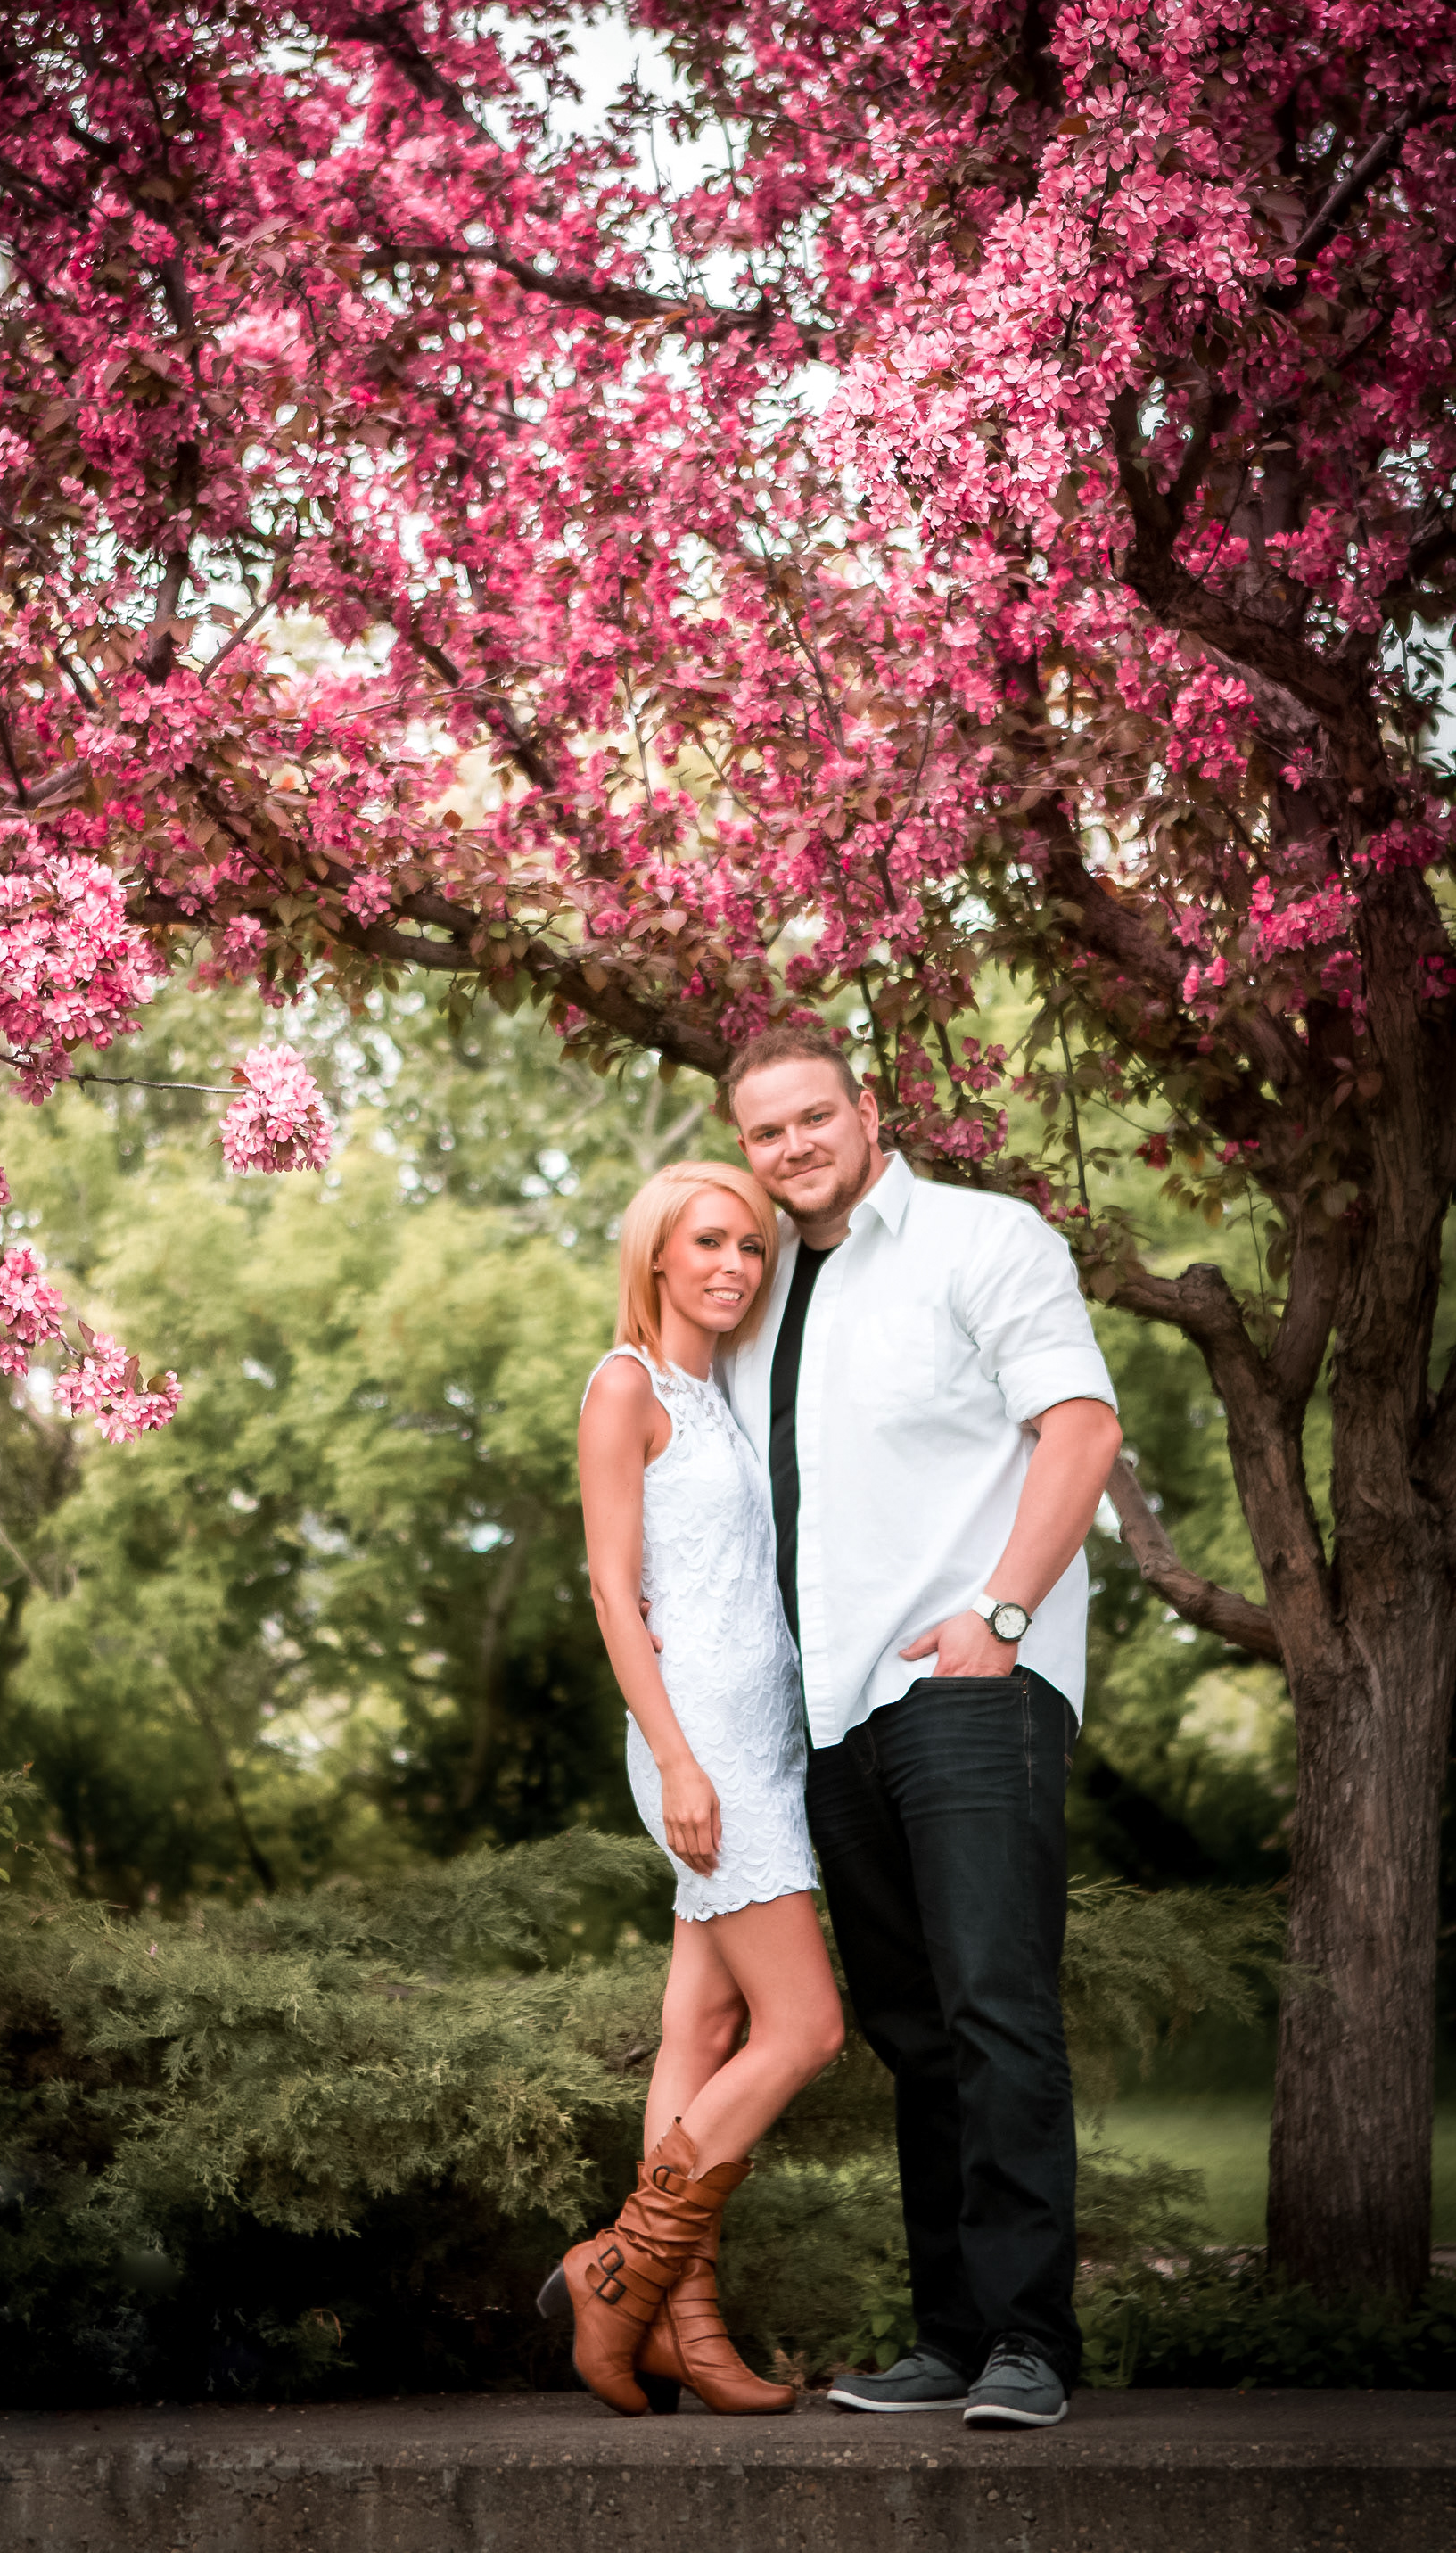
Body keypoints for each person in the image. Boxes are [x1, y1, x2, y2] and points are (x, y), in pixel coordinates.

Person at [721, 1027, 1122, 2431]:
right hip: (828, 1714)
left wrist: (1000, 1620)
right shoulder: (762, 1299)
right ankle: (953, 2337)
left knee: (995, 2009)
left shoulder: (980, 1240)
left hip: (966, 1686)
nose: (792, 1149)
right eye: (764, 1134)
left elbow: (1079, 1427)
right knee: (913, 2031)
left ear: (867, 1111)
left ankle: (1029, 2341)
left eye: (812, 1118)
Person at [539, 1158, 847, 2417]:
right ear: (657, 1256)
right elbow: (615, 1589)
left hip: (763, 1732)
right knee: (806, 2030)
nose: (734, 1265)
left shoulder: (726, 1394)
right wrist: (673, 1758)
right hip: (701, 1743)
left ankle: (683, 2327)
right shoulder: (626, 1387)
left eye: (755, 1250)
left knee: (704, 2030)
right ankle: (619, 2266)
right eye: (709, 1242)